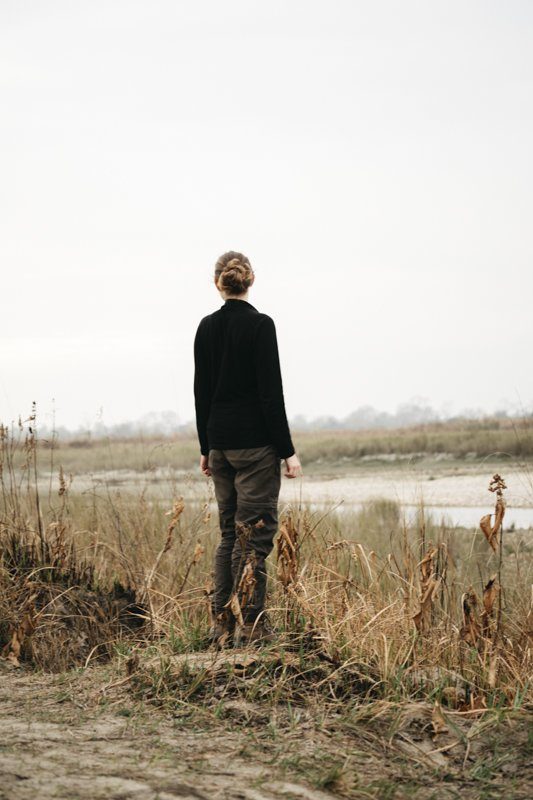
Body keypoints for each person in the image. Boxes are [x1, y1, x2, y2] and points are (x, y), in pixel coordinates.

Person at [193, 251, 303, 647]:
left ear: (217, 283)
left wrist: (207, 447)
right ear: (250, 281)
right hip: (255, 447)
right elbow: (270, 393)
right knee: (253, 537)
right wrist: (287, 450)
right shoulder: (261, 325)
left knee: (228, 535)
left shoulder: (206, 328)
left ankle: (222, 626)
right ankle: (252, 628)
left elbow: (201, 392)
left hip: (220, 444)